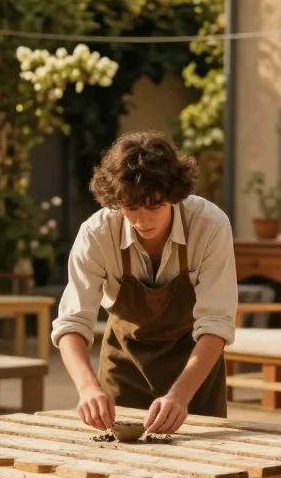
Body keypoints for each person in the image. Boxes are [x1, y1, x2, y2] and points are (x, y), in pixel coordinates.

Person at [52, 130, 237, 435]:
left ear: (175, 196)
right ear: (115, 200)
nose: (143, 220)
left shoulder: (210, 226)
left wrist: (180, 396)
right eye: (131, 207)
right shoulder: (97, 234)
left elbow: (217, 323)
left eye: (154, 206)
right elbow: (72, 323)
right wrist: (87, 389)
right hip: (124, 366)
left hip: (194, 367)